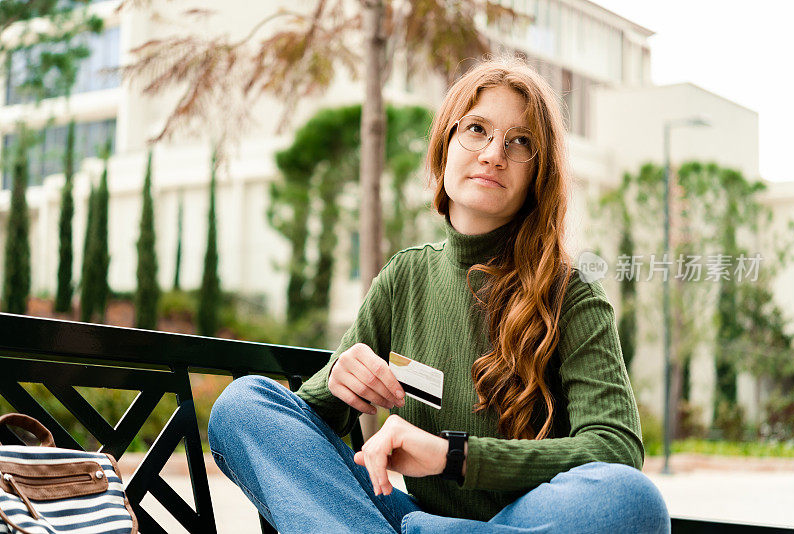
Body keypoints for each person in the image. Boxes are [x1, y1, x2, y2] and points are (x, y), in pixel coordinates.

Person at [208, 58, 670, 533]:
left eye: (521, 142)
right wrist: (335, 382)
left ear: (539, 175)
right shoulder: (404, 277)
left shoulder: (571, 297)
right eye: (476, 129)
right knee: (243, 404)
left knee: (631, 502)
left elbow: (616, 446)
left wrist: (456, 456)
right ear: (444, 146)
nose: (494, 153)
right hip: (406, 518)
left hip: (526, 522)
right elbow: (305, 431)